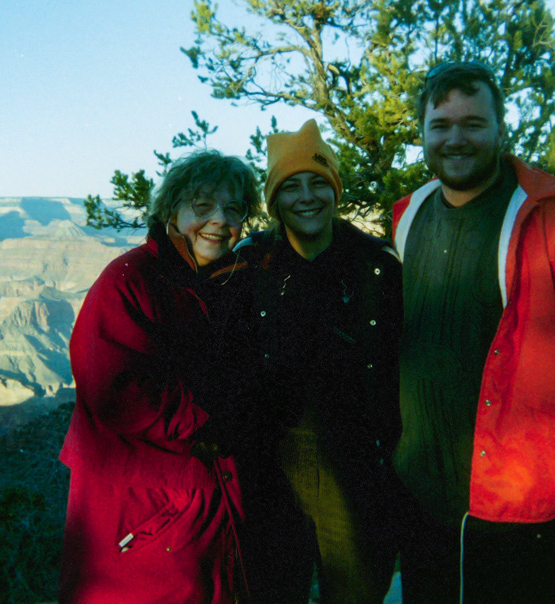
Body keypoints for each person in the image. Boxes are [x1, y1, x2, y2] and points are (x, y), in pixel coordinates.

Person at [391, 61, 555, 603]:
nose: (455, 139)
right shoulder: (409, 215)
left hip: (524, 497)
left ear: (501, 127)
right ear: (423, 132)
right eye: (441, 125)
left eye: (473, 124)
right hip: (425, 494)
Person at [57, 149, 260, 603]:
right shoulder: (130, 280)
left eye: (233, 208)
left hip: (194, 506)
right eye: (202, 206)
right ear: (172, 210)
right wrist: (209, 421)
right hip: (144, 511)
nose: (218, 220)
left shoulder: (221, 282)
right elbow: (114, 389)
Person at [234, 119, 403, 604]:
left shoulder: (375, 267)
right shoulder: (251, 266)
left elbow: (400, 368)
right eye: (291, 187)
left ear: (334, 191)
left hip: (358, 470)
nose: (306, 197)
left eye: (318, 183)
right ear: (275, 201)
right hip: (272, 472)